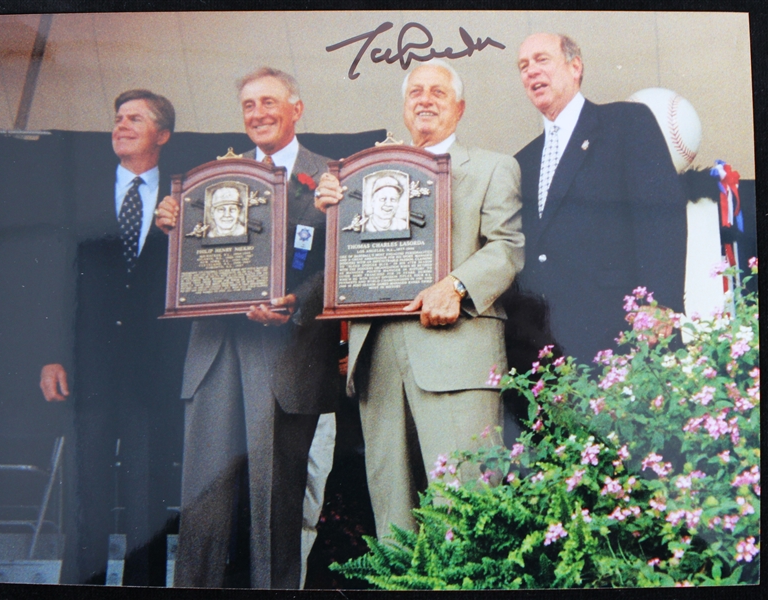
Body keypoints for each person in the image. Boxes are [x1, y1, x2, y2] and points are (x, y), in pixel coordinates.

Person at [315, 59, 524, 539]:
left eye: (438, 92)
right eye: (415, 93)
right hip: (381, 358)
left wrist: (456, 286)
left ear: (460, 107)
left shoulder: (493, 166)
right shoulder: (363, 175)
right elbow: (351, 261)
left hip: (456, 354)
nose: (425, 100)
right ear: (404, 107)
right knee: (394, 518)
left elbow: (508, 248)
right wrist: (332, 205)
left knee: (466, 512)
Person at [155, 67, 339, 589]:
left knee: (277, 512)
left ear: (297, 108)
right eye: (248, 105)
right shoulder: (211, 181)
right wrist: (170, 221)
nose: (257, 114)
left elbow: (348, 264)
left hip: (287, 357)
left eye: (269, 102)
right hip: (215, 352)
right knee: (202, 511)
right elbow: (194, 266)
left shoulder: (331, 177)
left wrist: (296, 302)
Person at [38, 89, 187, 585]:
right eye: (118, 118)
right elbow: (57, 280)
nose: (121, 125)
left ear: (161, 135)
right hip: (90, 365)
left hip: (155, 367)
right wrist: (53, 355)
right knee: (87, 486)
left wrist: (183, 232)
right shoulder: (83, 191)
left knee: (148, 489)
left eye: (135, 119)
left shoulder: (184, 197)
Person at [513, 33, 687, 364]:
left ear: (575, 66)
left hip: (625, 333)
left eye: (542, 60)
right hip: (553, 353)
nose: (531, 71)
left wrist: (661, 303)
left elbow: (661, 215)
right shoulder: (523, 161)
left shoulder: (626, 122)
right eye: (523, 66)